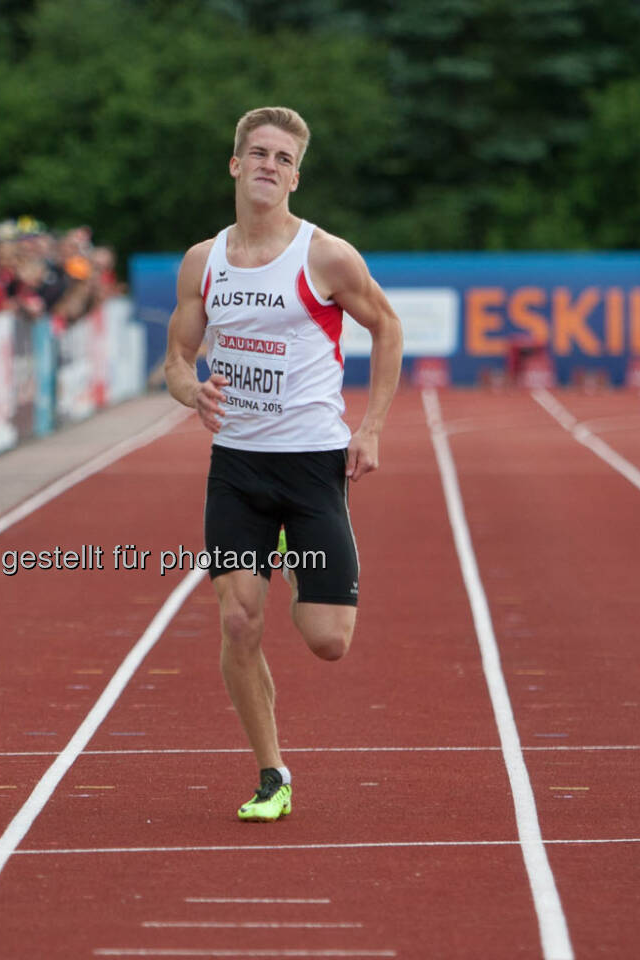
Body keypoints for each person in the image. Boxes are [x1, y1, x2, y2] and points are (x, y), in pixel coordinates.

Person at [164, 106, 403, 822]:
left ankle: (308, 561)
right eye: (258, 153)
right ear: (235, 165)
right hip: (237, 467)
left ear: (297, 175)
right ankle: (272, 775)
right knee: (238, 623)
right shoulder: (203, 262)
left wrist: (374, 427)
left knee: (327, 641)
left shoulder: (325, 256)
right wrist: (191, 391)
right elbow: (177, 358)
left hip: (310, 465)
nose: (269, 165)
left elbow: (387, 326)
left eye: (283, 158)